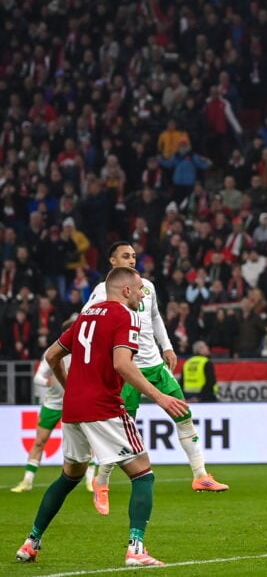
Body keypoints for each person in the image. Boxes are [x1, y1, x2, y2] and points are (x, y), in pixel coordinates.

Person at [15, 266, 191, 566]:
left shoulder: (85, 316)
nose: (142, 294)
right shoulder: (126, 316)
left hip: (73, 409)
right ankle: (136, 549)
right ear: (125, 291)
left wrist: (70, 387)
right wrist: (160, 396)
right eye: (138, 289)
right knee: (143, 473)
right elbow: (123, 365)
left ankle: (31, 542)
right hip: (103, 406)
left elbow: (52, 356)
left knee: (69, 476)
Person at [87, 242, 227, 517]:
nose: (131, 259)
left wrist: (167, 347)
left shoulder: (146, 285)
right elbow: (87, 323)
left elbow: (155, 318)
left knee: (183, 414)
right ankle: (101, 481)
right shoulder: (101, 292)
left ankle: (200, 474)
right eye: (125, 256)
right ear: (112, 260)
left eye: (134, 256)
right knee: (121, 434)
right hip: (126, 371)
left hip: (155, 365)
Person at [10, 316, 97, 493]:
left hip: (76, 403)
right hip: (53, 404)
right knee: (40, 441)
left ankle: (90, 481)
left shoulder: (87, 352)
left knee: (89, 443)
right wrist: (47, 382)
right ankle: (27, 481)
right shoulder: (54, 351)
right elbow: (38, 377)